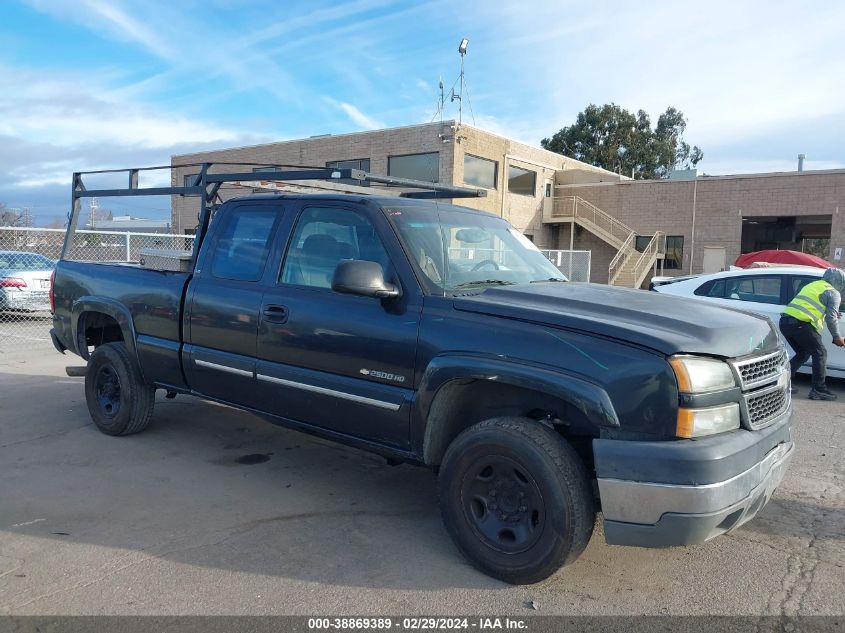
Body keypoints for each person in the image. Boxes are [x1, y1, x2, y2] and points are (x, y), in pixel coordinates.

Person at [780, 267, 845, 400]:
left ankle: (783, 385)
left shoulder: (814, 285)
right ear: (839, 281)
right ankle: (819, 389)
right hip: (801, 324)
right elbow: (831, 319)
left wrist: (830, 311)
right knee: (820, 353)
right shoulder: (833, 292)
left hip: (785, 322)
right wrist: (837, 337)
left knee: (803, 353)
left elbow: (812, 304)